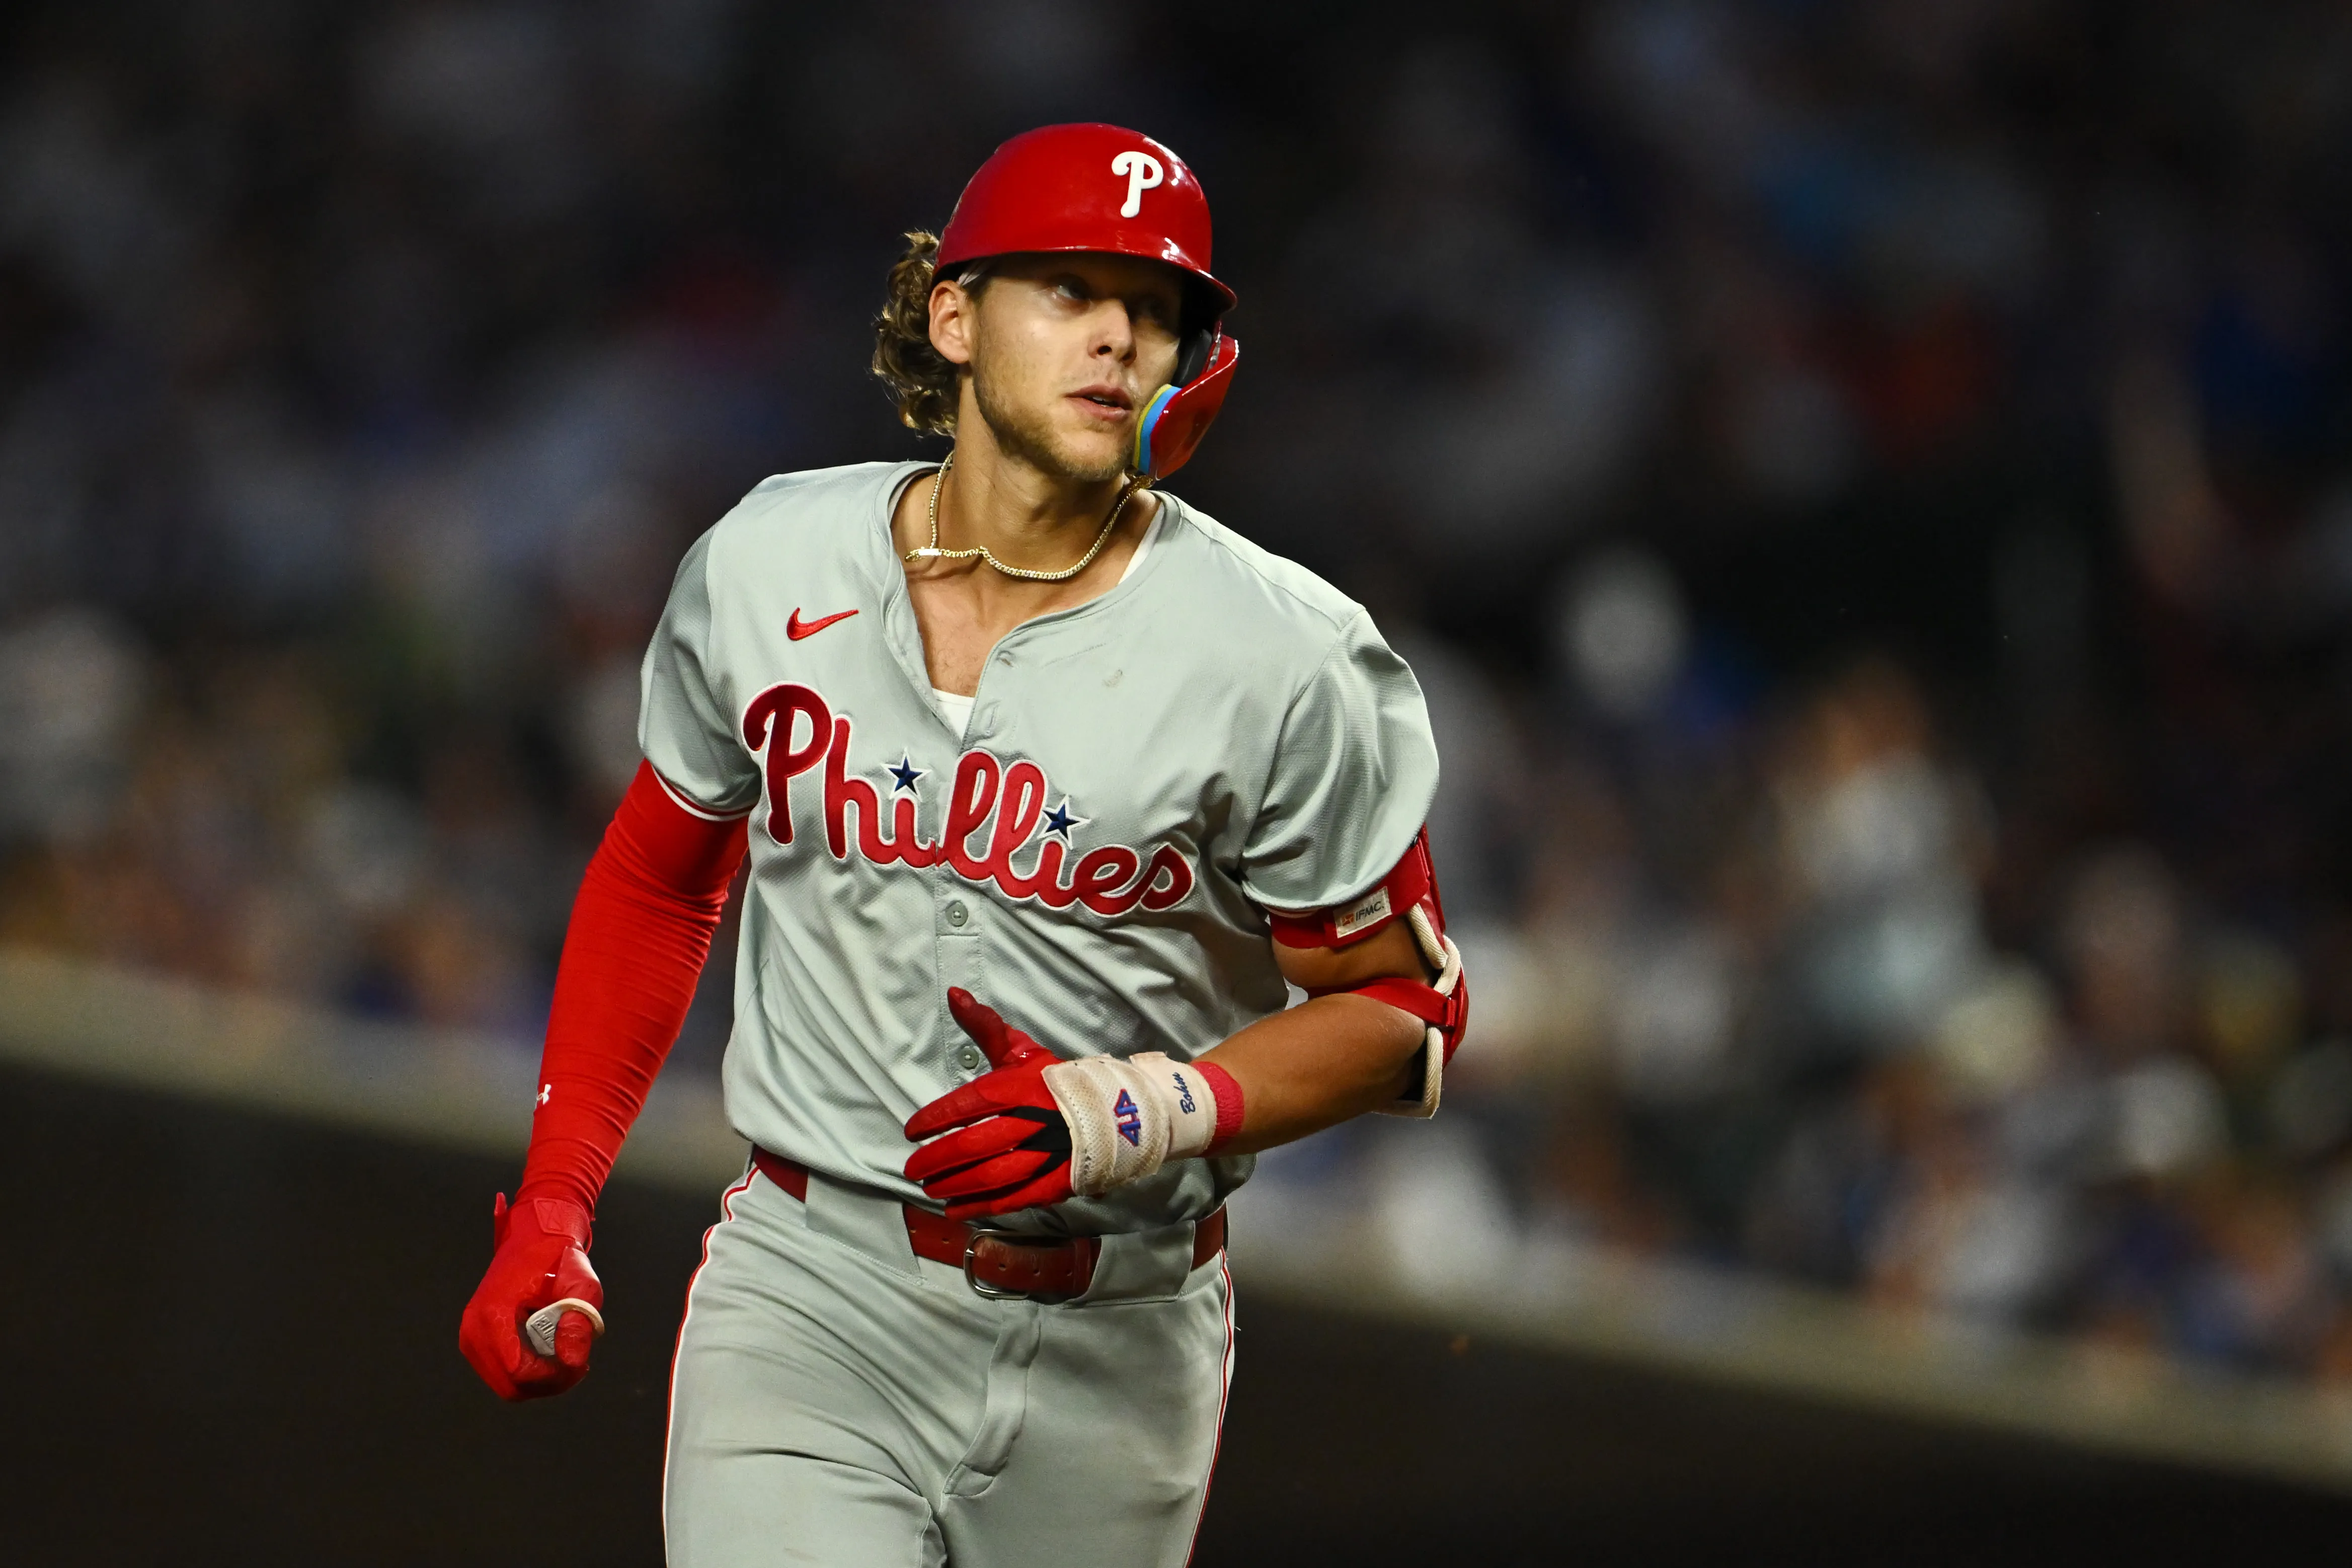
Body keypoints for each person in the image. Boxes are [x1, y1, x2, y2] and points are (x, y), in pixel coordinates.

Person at [457, 122, 1467, 1567]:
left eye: (1159, 307)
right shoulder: (767, 562)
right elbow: (662, 869)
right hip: (814, 1289)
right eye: (1068, 287)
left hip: (1125, 1337)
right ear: (953, 313)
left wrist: (1135, 1110)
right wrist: (557, 1186)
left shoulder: (1285, 658)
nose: (1120, 333)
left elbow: (1403, 1010)